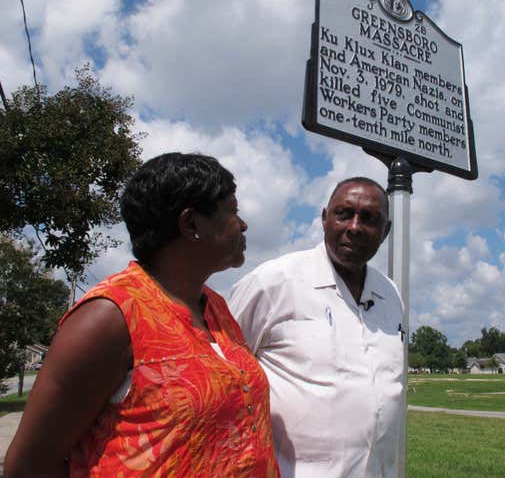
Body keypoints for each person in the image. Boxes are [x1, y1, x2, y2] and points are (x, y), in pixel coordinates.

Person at [5, 153, 280, 477]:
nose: (243, 224)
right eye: (232, 211)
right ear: (190, 223)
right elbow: (27, 466)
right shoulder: (110, 317)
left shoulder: (216, 308)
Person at [228, 177, 404, 477]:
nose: (355, 227)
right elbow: (222, 379)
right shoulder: (272, 282)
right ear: (324, 219)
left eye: (370, 219)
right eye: (344, 214)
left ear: (386, 231)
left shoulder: (390, 293)